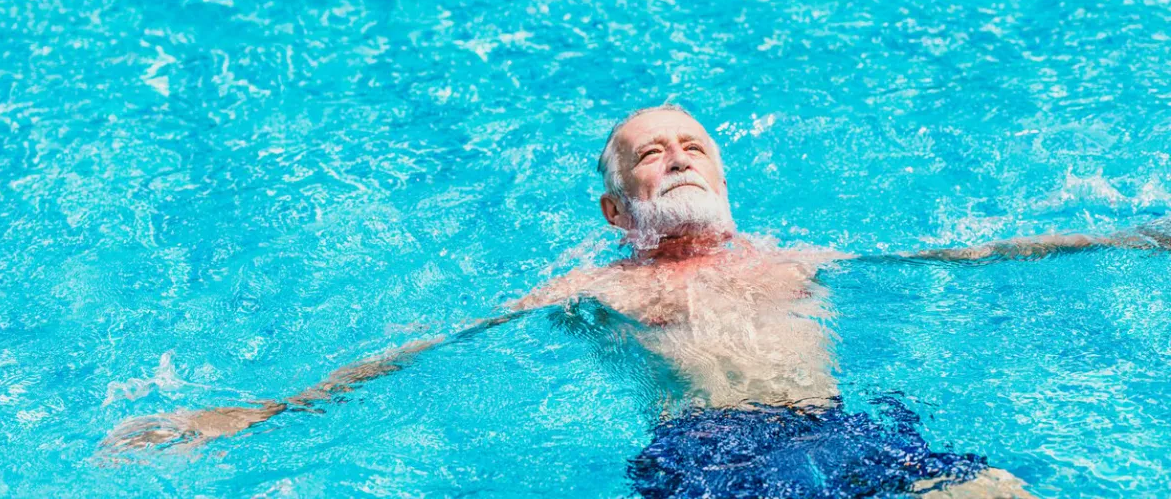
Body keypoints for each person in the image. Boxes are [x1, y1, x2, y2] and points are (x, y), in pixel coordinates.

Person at [104, 106, 1169, 497]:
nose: (675, 159)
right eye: (648, 157)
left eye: (692, 146)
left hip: (840, 429)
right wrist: (260, 415)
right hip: (714, 457)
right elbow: (426, 353)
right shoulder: (599, 285)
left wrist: (1130, 238)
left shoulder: (796, 254)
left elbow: (972, 257)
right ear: (618, 208)